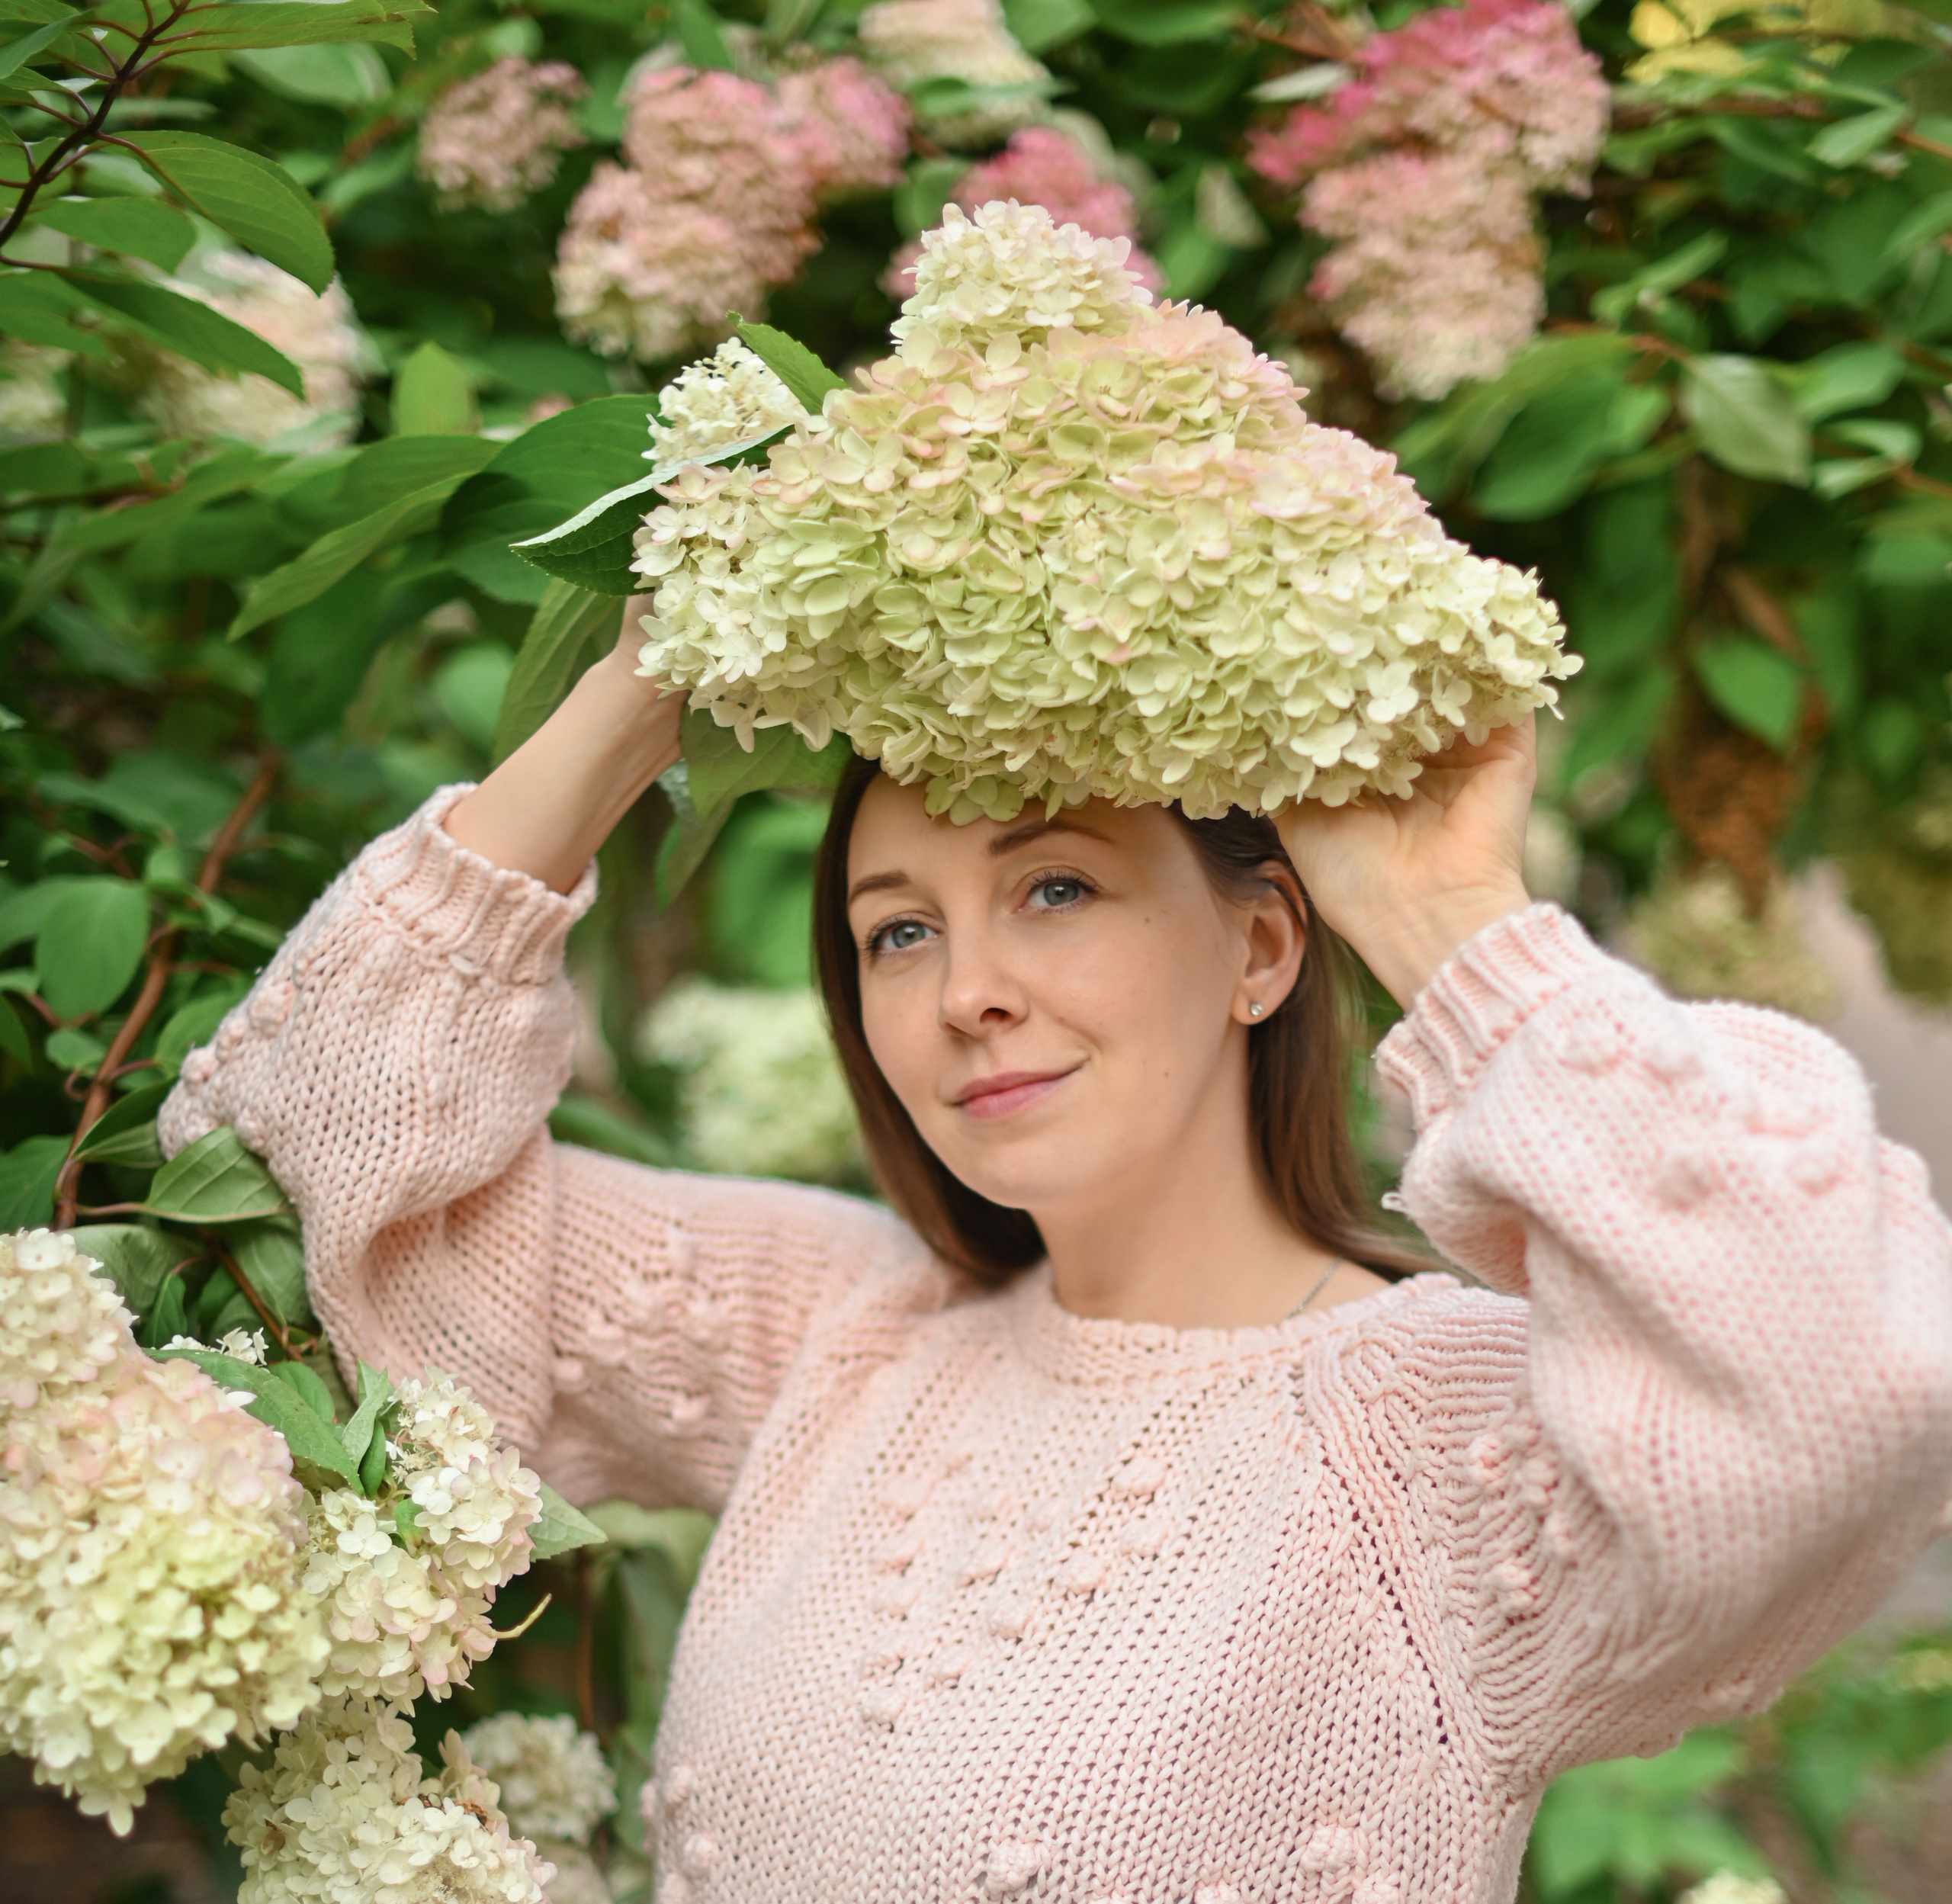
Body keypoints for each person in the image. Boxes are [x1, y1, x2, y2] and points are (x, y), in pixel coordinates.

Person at [160, 606, 1952, 1904]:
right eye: (893, 931)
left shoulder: (1438, 1444)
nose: (964, 991)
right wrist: (640, 685)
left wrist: (1434, 914)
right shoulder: (838, 1336)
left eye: (1056, 887)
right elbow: (289, 1173)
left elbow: (1850, 1376)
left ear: (1260, 950)